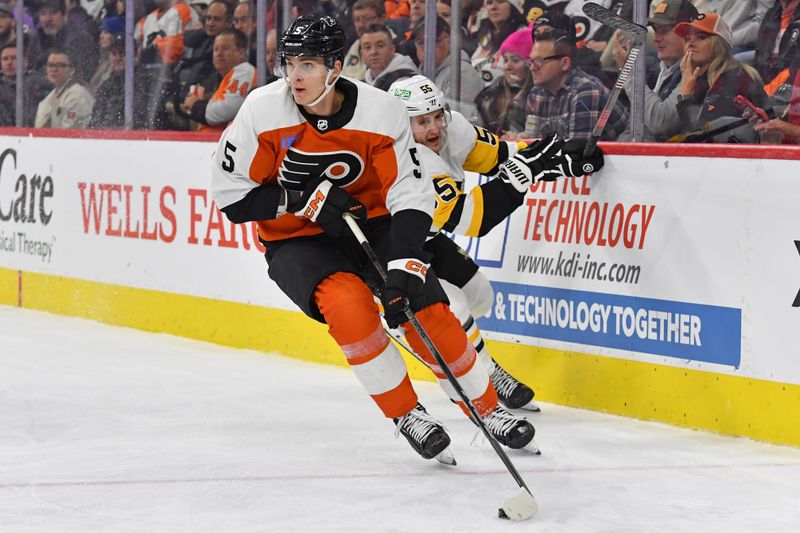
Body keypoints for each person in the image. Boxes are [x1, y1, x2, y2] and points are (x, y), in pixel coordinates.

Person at [210, 15, 542, 464]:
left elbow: (410, 194)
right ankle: (407, 415)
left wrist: (405, 263)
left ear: (334, 67)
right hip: (295, 240)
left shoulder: (381, 112)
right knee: (349, 309)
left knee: (427, 307)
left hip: (376, 224)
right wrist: (304, 200)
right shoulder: (262, 110)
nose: (295, 77)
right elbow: (233, 199)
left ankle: (487, 410)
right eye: (289, 65)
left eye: (307, 65)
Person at [389, 75, 604, 412]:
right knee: (455, 306)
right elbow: (470, 219)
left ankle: (428, 336)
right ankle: (487, 376)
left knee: (479, 296)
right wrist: (527, 174)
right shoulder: (407, 161)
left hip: (428, 236)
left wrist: (552, 159)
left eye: (436, 115)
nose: (434, 128)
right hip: (390, 250)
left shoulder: (451, 128)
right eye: (422, 121)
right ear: (402, 125)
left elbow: (498, 156)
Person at [526, 16, 629, 140]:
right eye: (530, 61)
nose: (532, 68)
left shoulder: (586, 91)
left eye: (538, 61)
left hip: (624, 157)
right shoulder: (536, 94)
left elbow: (577, 154)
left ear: (564, 63)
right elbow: (536, 147)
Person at [612, 0, 698, 141]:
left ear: (688, 34)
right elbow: (631, 128)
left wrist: (629, 73)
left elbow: (662, 123)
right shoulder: (655, 70)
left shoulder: (695, 71)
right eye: (656, 30)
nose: (657, 39)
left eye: (664, 31)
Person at [673, 12, 766, 140]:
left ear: (719, 44)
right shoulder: (694, 77)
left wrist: (685, 96)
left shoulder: (734, 78)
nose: (691, 43)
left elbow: (701, 139)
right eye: (687, 38)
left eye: (701, 37)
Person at [182, 28, 255, 131]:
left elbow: (228, 109)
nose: (219, 53)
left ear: (241, 53)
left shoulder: (244, 71)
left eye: (225, 48)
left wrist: (195, 105)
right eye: (216, 49)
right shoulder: (227, 77)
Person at [412, 16, 484, 114]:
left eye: (434, 41)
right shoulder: (419, 75)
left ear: (449, 42)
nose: (427, 47)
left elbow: (462, 119)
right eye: (421, 42)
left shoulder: (462, 72)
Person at [472, 26, 533, 137]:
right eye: (505, 60)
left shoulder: (539, 97)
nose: (507, 66)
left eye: (515, 60)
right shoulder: (489, 95)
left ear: (530, 64)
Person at [471, 0, 527, 87]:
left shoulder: (522, 35)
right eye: (489, 3)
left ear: (513, 7)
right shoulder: (487, 35)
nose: (494, 7)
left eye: (500, 1)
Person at [35, 48, 94, 128]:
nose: (54, 69)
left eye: (60, 65)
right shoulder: (50, 96)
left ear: (72, 70)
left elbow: (68, 134)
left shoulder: (77, 95)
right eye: (50, 65)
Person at [0, 41, 52, 127]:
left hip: (33, 135)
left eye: (14, 58)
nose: (9, 63)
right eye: (5, 59)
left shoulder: (40, 83)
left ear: (25, 61)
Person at [360, 23, 417, 90]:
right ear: (361, 53)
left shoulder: (406, 81)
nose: (373, 52)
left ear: (392, 49)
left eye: (380, 45)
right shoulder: (362, 83)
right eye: (367, 47)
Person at [342, 0, 387, 81]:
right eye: (357, 19)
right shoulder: (353, 45)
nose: (360, 25)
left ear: (382, 19)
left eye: (366, 18)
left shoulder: (393, 45)